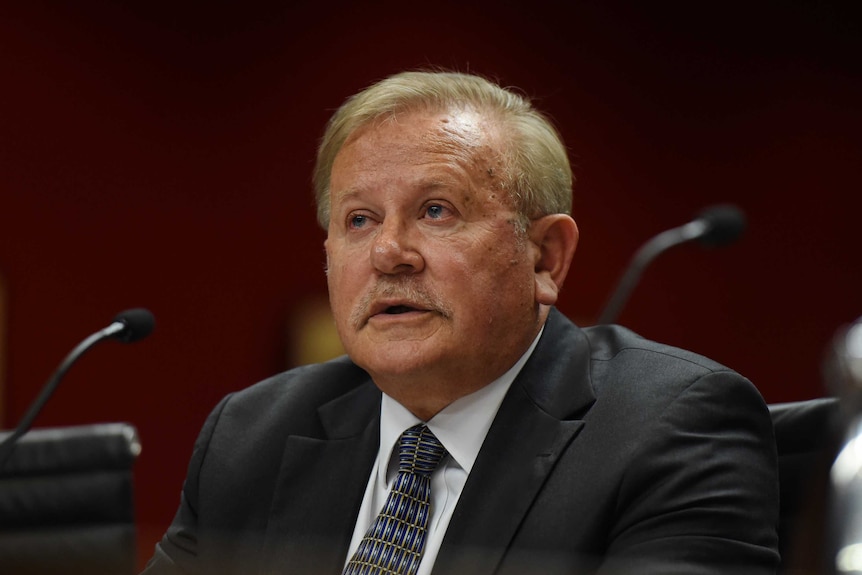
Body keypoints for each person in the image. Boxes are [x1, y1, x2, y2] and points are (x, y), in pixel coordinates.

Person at [142, 70, 779, 574]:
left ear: (545, 257)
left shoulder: (671, 428)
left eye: (437, 210)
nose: (389, 252)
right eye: (359, 219)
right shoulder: (251, 437)